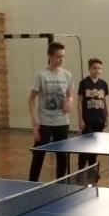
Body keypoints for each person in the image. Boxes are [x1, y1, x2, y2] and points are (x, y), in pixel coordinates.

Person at [28, 41, 74, 181]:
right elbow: (31, 99)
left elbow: (70, 95)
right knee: (38, 155)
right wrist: (35, 122)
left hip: (62, 123)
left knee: (62, 157)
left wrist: (69, 102)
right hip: (45, 122)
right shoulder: (41, 75)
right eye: (58, 56)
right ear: (50, 56)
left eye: (63, 56)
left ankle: (60, 185)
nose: (61, 59)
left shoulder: (67, 75)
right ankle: (31, 184)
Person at [76, 57, 109, 173]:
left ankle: (92, 170)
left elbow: (105, 101)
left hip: (100, 119)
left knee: (95, 146)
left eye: (99, 68)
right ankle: (81, 169)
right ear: (89, 69)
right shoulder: (84, 83)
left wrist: (107, 116)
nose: (97, 70)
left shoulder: (103, 84)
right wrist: (80, 119)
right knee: (85, 146)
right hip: (88, 119)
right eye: (94, 68)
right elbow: (79, 101)